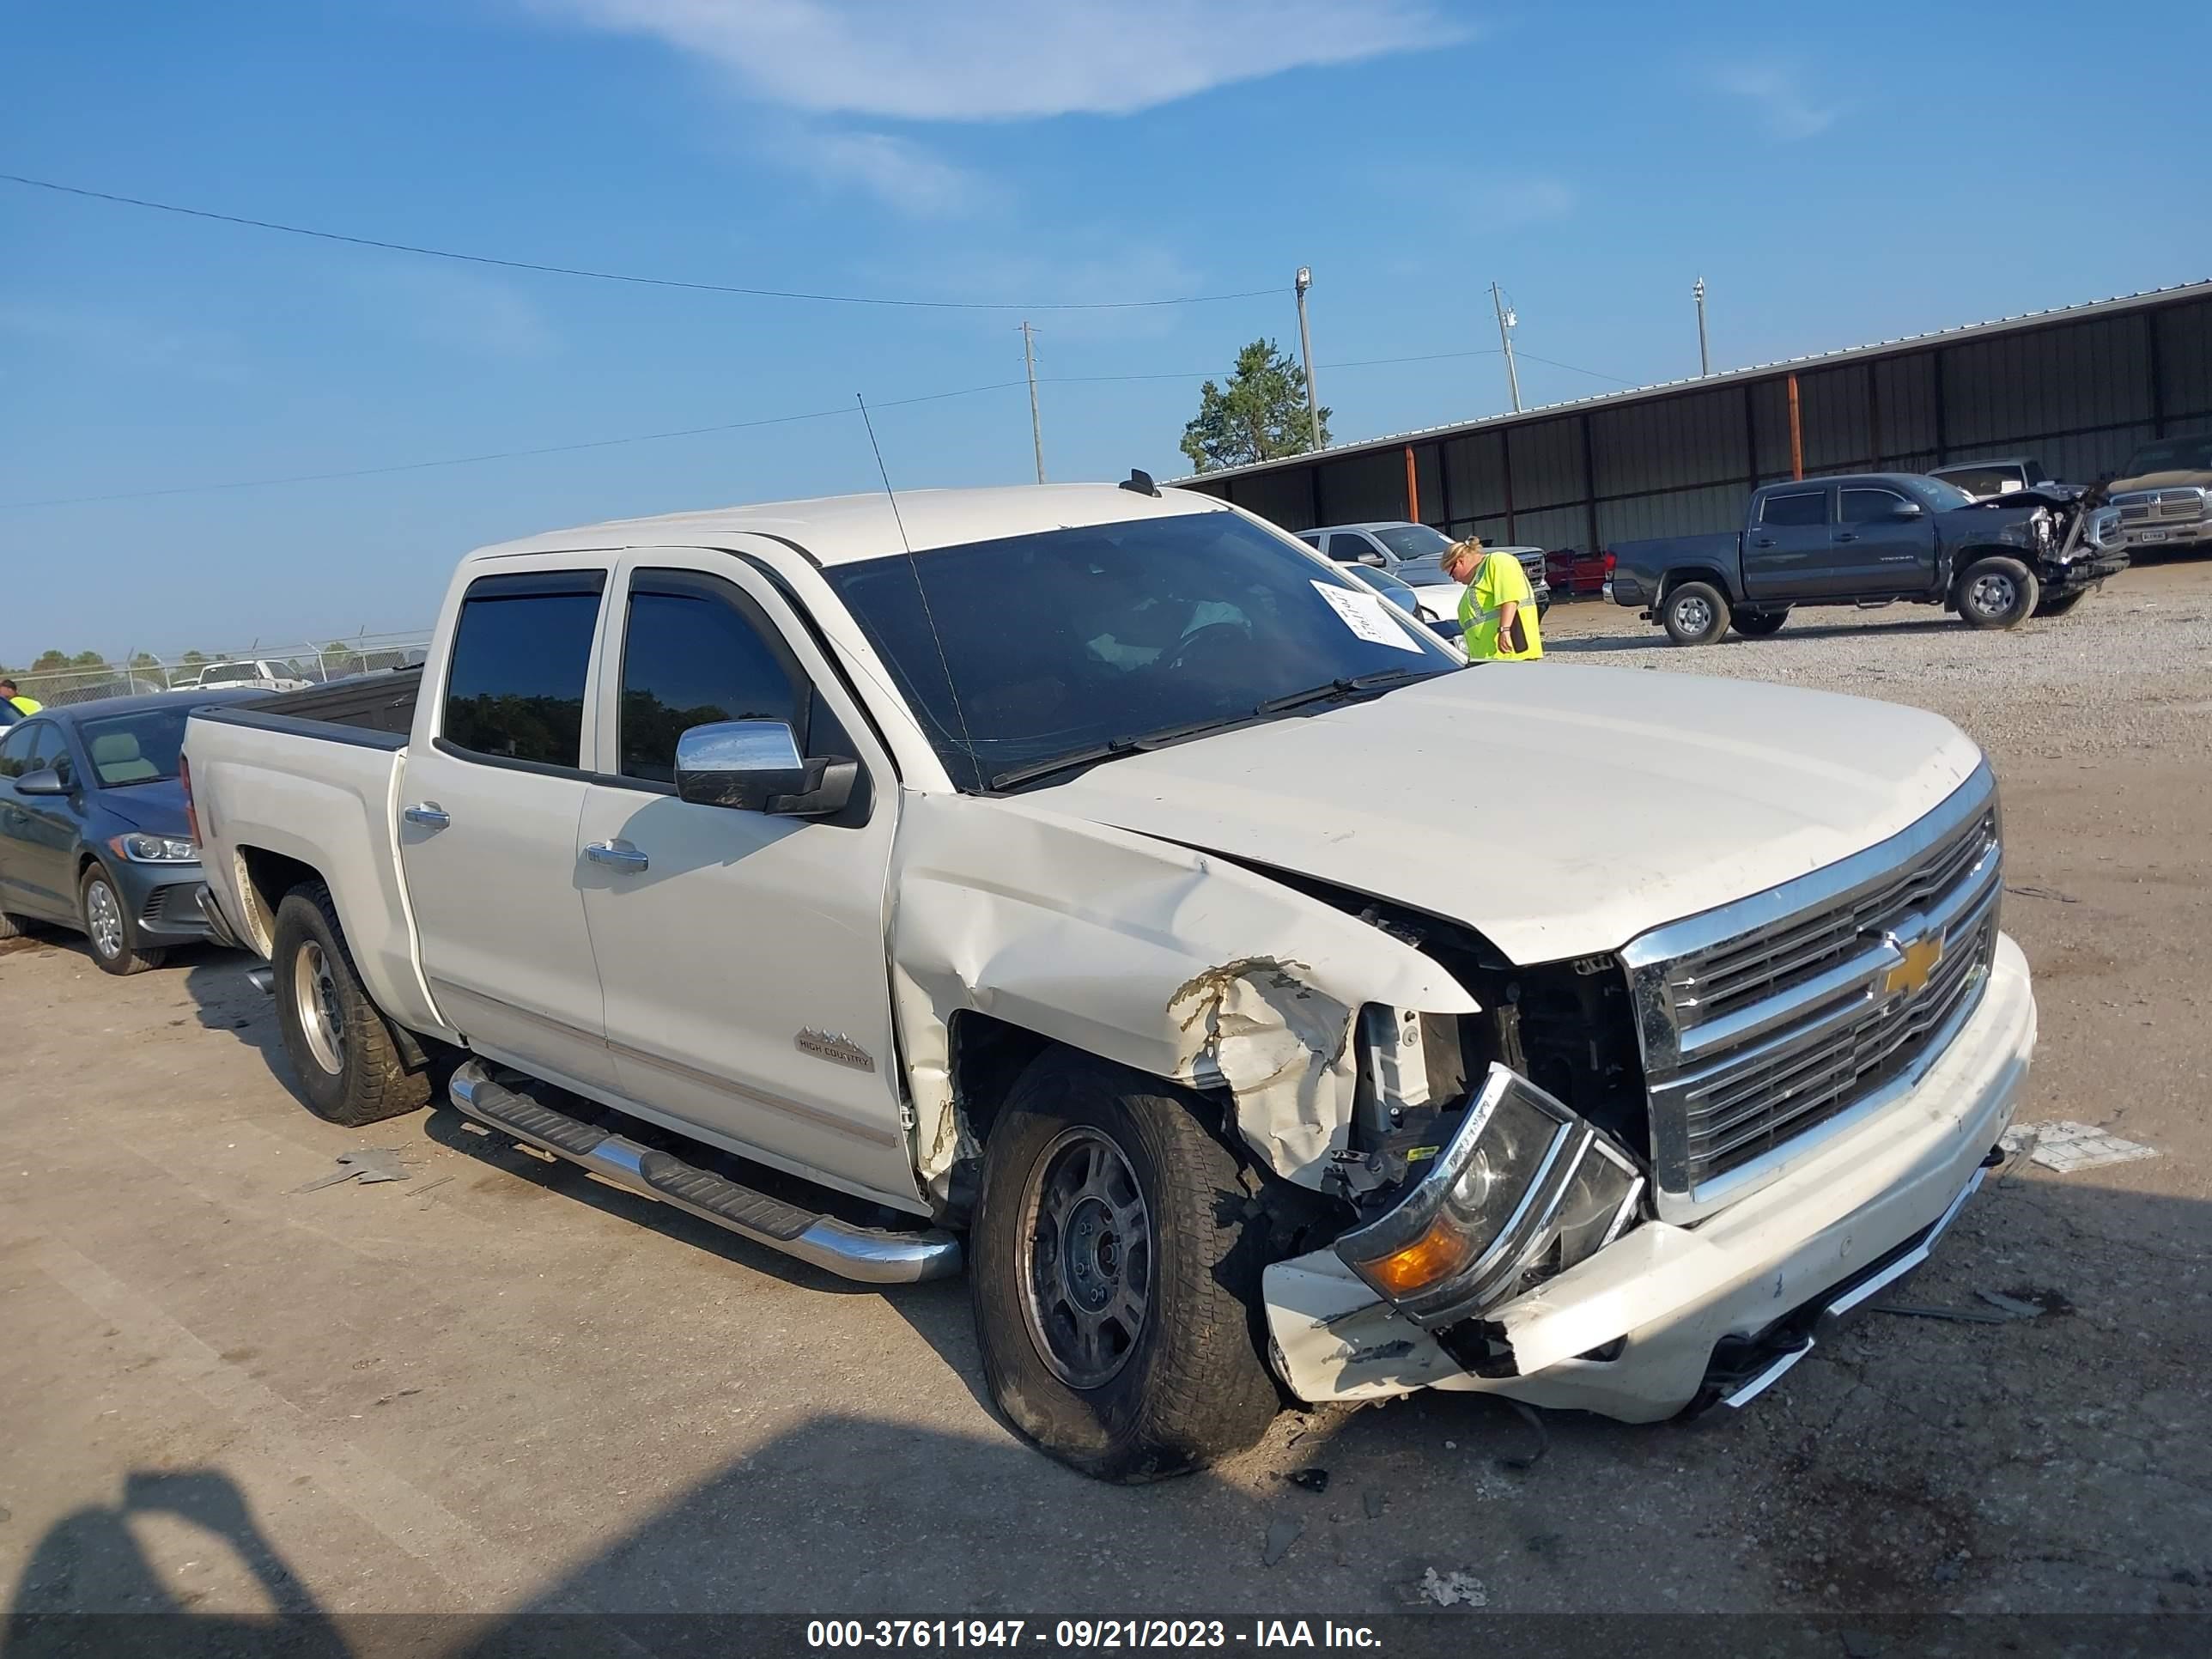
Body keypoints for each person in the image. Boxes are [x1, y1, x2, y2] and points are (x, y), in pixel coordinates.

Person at [1441, 538, 1544, 662]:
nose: (1455, 580)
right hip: (1490, 657)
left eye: (1453, 574)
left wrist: (1504, 630)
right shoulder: (1477, 580)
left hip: (1510, 654)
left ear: (1460, 562)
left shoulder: (1497, 561)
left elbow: (1509, 597)